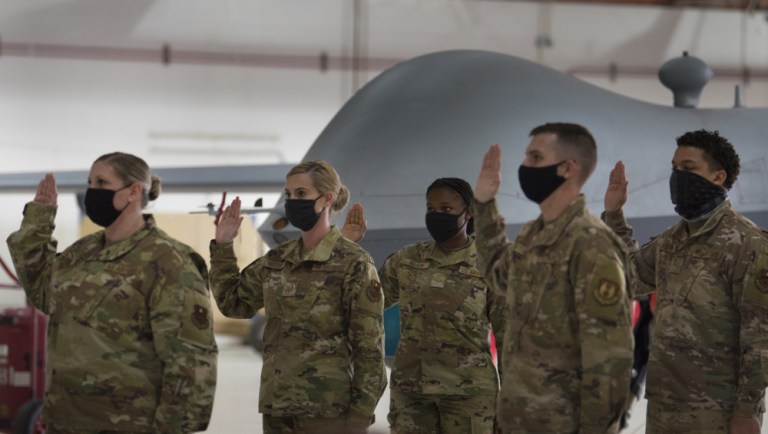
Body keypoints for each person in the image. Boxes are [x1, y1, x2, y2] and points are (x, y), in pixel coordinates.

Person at [6, 152, 217, 434]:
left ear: (133, 192)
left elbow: (191, 363)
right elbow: (43, 294)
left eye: (102, 182)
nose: (91, 191)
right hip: (64, 421)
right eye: (90, 182)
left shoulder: (169, 262)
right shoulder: (82, 252)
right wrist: (38, 224)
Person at [603, 129, 768, 434]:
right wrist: (614, 215)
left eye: (689, 169)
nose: (678, 177)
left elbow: (758, 339)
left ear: (718, 177)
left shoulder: (747, 245)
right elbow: (631, 277)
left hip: (716, 411)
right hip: (665, 405)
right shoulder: (672, 240)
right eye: (675, 168)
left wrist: (747, 412)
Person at [473, 122, 634, 433]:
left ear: (567, 168)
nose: (524, 167)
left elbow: (609, 361)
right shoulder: (533, 235)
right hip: (518, 419)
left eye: (535, 158)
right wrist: (483, 205)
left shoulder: (592, 245)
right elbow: (497, 275)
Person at [209, 160, 386, 434]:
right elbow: (234, 304)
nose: (292, 202)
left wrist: (360, 417)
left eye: (301, 194)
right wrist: (223, 246)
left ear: (327, 199)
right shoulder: (278, 259)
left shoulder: (354, 262)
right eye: (289, 194)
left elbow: (369, 348)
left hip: (328, 412)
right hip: (278, 408)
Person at [378, 177, 505, 433]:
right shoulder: (407, 259)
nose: (437, 215)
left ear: (467, 212)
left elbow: (508, 337)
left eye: (446, 209)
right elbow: (365, 303)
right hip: (411, 393)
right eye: (431, 209)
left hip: (468, 394)